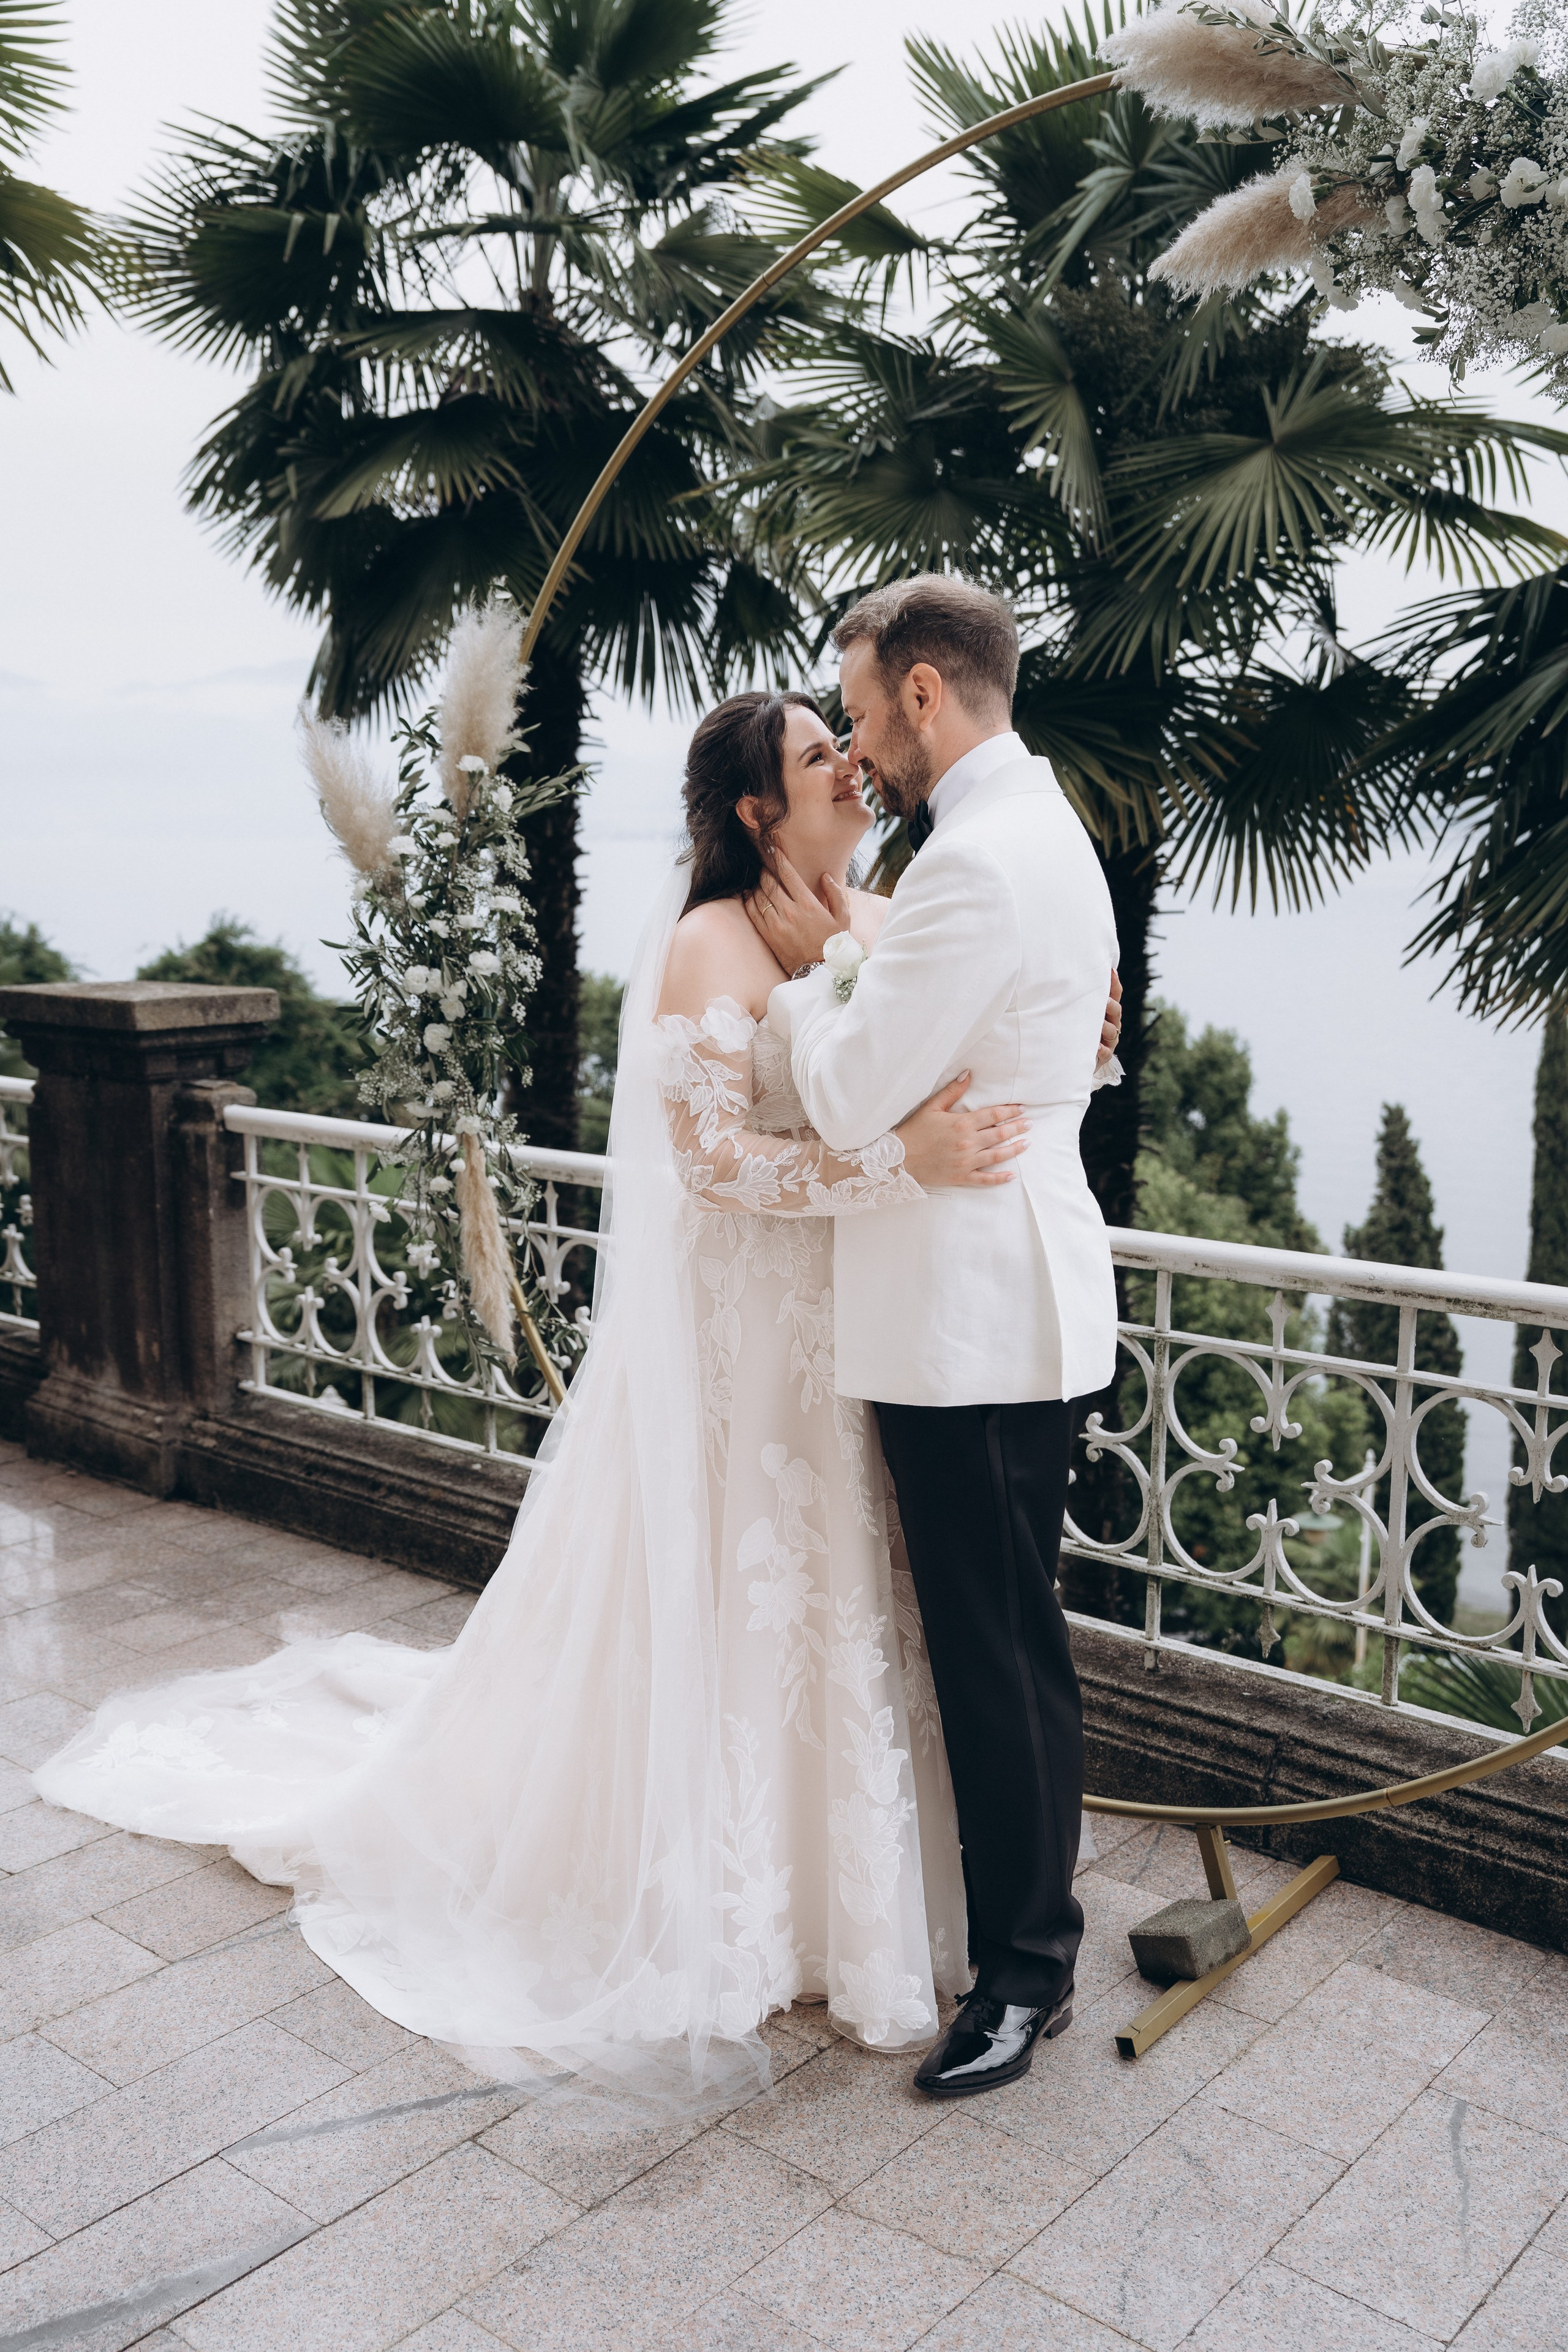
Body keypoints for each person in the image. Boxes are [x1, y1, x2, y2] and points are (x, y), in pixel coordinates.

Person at [33, 684, 1107, 2096]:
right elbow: (713, 1163)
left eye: (846, 747)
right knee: (750, 1598)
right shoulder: (704, 945)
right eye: (813, 756)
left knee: (857, 1601)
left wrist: (1066, 1040)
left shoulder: (886, 916)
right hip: (750, 1327)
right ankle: (741, 1899)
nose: (849, 769)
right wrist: (901, 1159)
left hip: (862, 1331)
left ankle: (874, 1906)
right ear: (752, 808)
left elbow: (964, 1040)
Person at [756, 576, 1121, 2098]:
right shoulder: (1047, 825)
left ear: (920, 690)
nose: (855, 748)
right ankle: (1035, 1931)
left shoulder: (971, 861)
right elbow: (1058, 1045)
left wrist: (803, 1001)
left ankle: (1022, 1973)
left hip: (963, 1304)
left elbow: (844, 1096)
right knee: (1008, 1633)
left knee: (990, 1642)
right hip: (1015, 1276)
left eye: (856, 710)